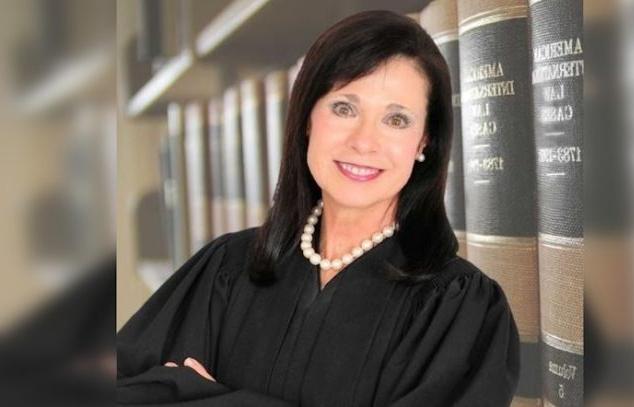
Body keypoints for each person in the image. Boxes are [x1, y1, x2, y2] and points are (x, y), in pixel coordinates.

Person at [117, 10, 519, 406]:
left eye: (396, 119)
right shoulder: (225, 269)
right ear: (308, 117)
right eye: (344, 108)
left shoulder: (459, 310)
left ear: (424, 143)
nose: (364, 142)